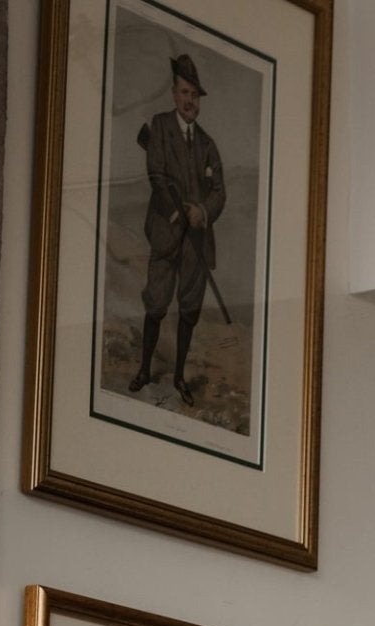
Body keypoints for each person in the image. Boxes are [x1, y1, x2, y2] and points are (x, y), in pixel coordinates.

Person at [130, 54, 225, 407]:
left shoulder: (207, 145)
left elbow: (220, 192)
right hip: (167, 235)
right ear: (174, 93)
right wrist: (176, 213)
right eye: (185, 92)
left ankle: (180, 376)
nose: (190, 101)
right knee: (155, 304)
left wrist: (201, 211)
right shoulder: (159, 128)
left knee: (188, 310)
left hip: (196, 243)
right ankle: (143, 369)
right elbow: (156, 175)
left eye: (195, 96)